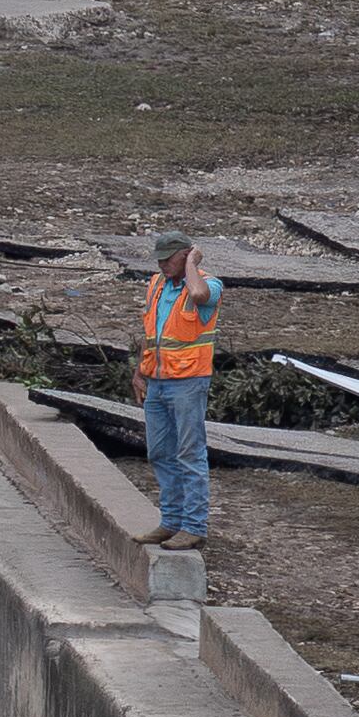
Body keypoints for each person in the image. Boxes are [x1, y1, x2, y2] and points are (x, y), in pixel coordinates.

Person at [130, 229, 219, 551]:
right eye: (160, 260)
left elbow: (198, 296)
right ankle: (170, 522)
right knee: (159, 452)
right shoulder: (156, 285)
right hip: (157, 382)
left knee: (190, 454)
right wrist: (140, 370)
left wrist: (193, 265)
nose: (163, 265)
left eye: (170, 259)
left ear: (187, 254)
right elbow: (149, 331)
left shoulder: (208, 284)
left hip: (188, 383)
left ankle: (194, 527)